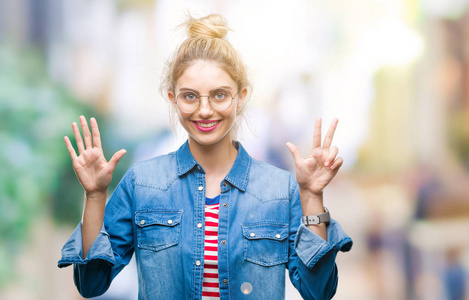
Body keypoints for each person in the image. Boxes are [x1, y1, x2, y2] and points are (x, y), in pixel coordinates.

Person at [58, 14, 352, 300]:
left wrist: (312, 196)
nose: (205, 110)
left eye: (220, 95)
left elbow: (318, 291)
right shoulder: (142, 183)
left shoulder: (279, 189)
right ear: (173, 99)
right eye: (190, 96)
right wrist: (95, 195)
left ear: (241, 96)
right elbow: (91, 283)